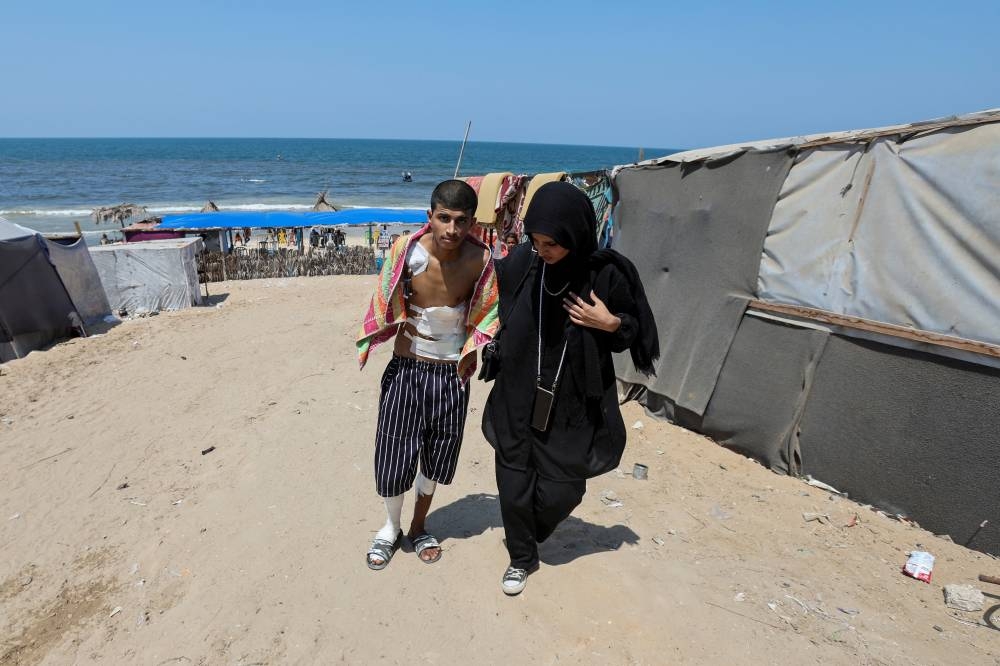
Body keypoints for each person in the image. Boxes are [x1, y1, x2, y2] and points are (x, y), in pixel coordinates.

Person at [482, 181, 659, 595]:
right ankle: (521, 557)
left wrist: (610, 324)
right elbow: (490, 291)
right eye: (536, 240)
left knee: (564, 489)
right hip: (518, 388)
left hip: (572, 399)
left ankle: (531, 529)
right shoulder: (527, 262)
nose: (543, 249)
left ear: (576, 235)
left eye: (552, 244)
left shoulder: (606, 275)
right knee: (512, 478)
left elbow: (634, 331)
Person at [357, 179, 499, 570]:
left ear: (473, 223)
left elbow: (488, 311)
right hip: (407, 369)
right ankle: (390, 527)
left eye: (461, 221)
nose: (452, 230)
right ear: (430, 216)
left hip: (451, 377)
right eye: (444, 218)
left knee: (438, 456)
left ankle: (419, 527)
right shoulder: (407, 253)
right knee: (393, 452)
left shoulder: (481, 260)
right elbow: (386, 296)